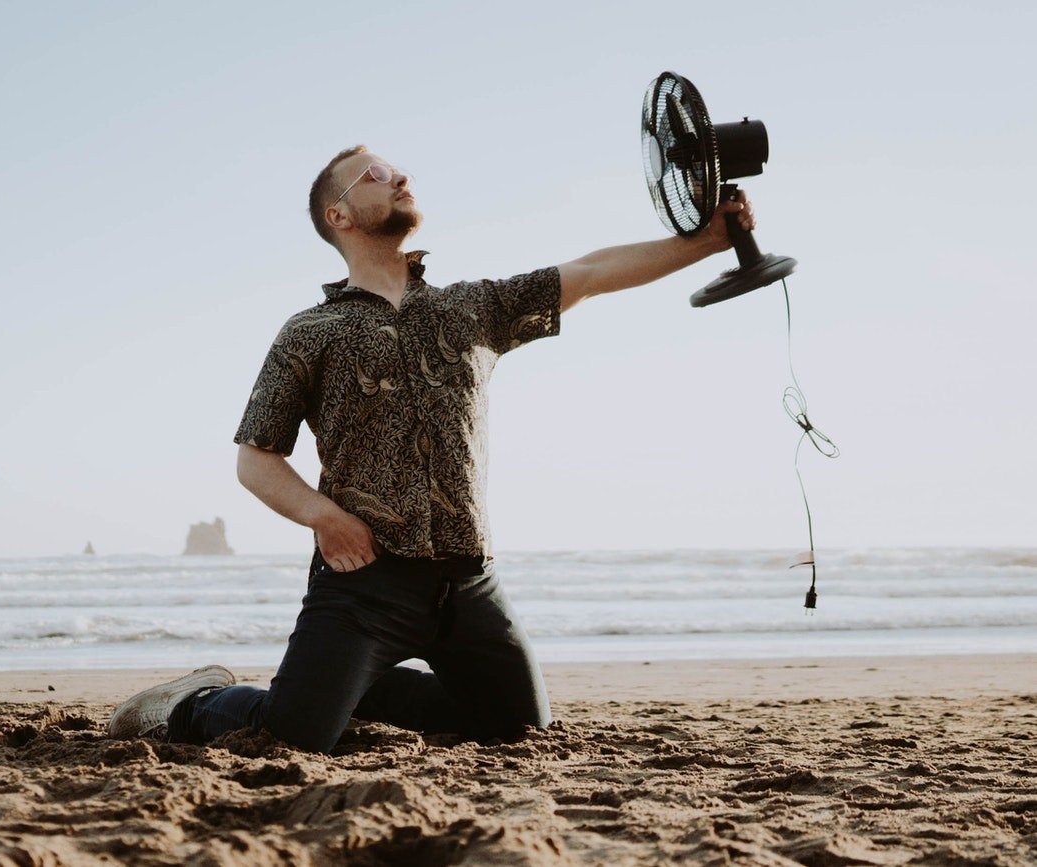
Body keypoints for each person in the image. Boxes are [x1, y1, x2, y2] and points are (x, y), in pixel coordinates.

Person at [108, 145, 755, 753]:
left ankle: (355, 687)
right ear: (338, 216)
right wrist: (324, 516)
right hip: (365, 586)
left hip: (469, 581)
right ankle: (196, 700)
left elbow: (589, 273)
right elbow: (256, 458)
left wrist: (707, 241)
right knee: (297, 734)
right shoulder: (311, 332)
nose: (398, 177)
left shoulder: (471, 308)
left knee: (517, 728)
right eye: (374, 175)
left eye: (397, 170)